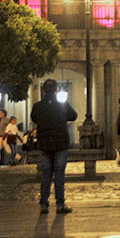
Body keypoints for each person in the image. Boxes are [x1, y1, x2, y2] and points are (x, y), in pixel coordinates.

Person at [30, 78, 77, 214]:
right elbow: (73, 116)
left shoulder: (38, 106)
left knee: (46, 174)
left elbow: (34, 118)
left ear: (44, 90)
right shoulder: (62, 105)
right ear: (56, 90)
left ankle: (44, 204)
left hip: (44, 144)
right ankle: (60, 204)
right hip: (60, 143)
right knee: (59, 174)